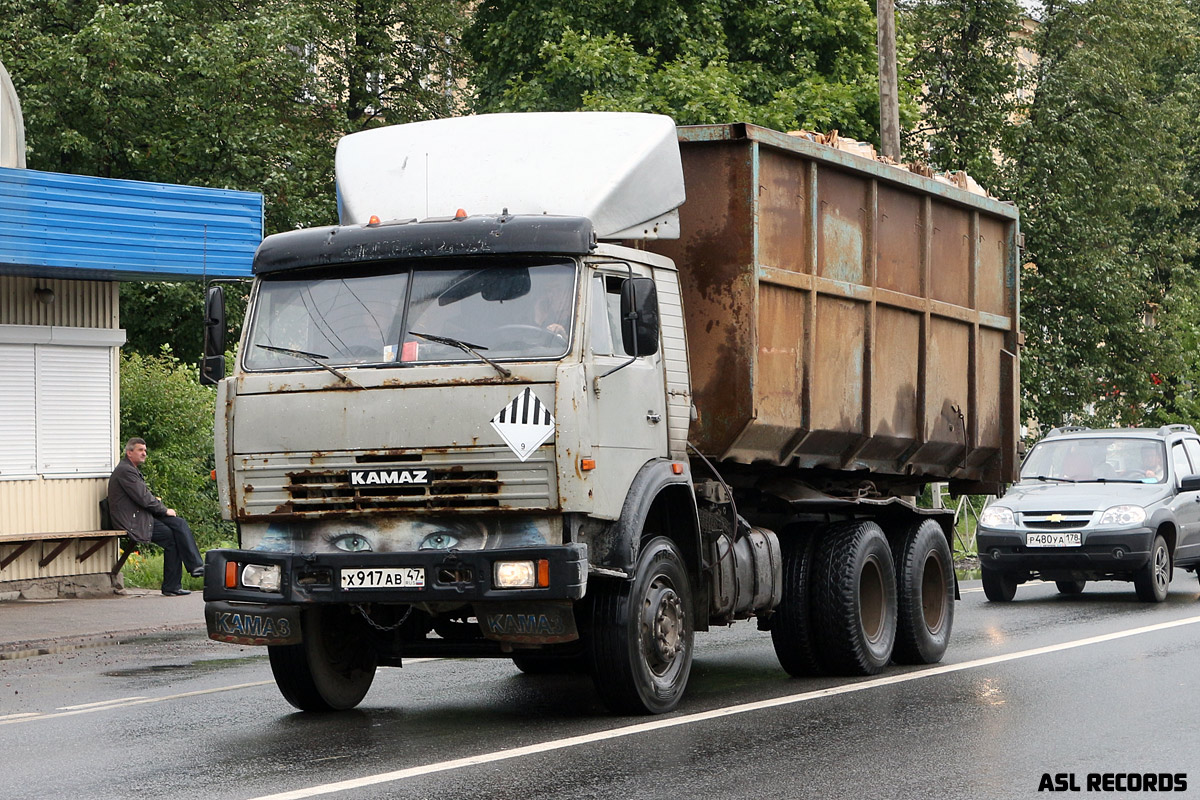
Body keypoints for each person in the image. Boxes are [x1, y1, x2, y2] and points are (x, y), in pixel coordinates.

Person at [107, 438, 205, 596]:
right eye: (140, 450)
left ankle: (189, 572)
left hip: (140, 516)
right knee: (173, 536)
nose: (144, 453)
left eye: (145, 450)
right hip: (131, 521)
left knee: (178, 525)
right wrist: (164, 510)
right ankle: (186, 573)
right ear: (129, 452)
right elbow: (144, 498)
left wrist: (161, 509)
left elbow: (143, 498)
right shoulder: (126, 470)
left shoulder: (130, 469)